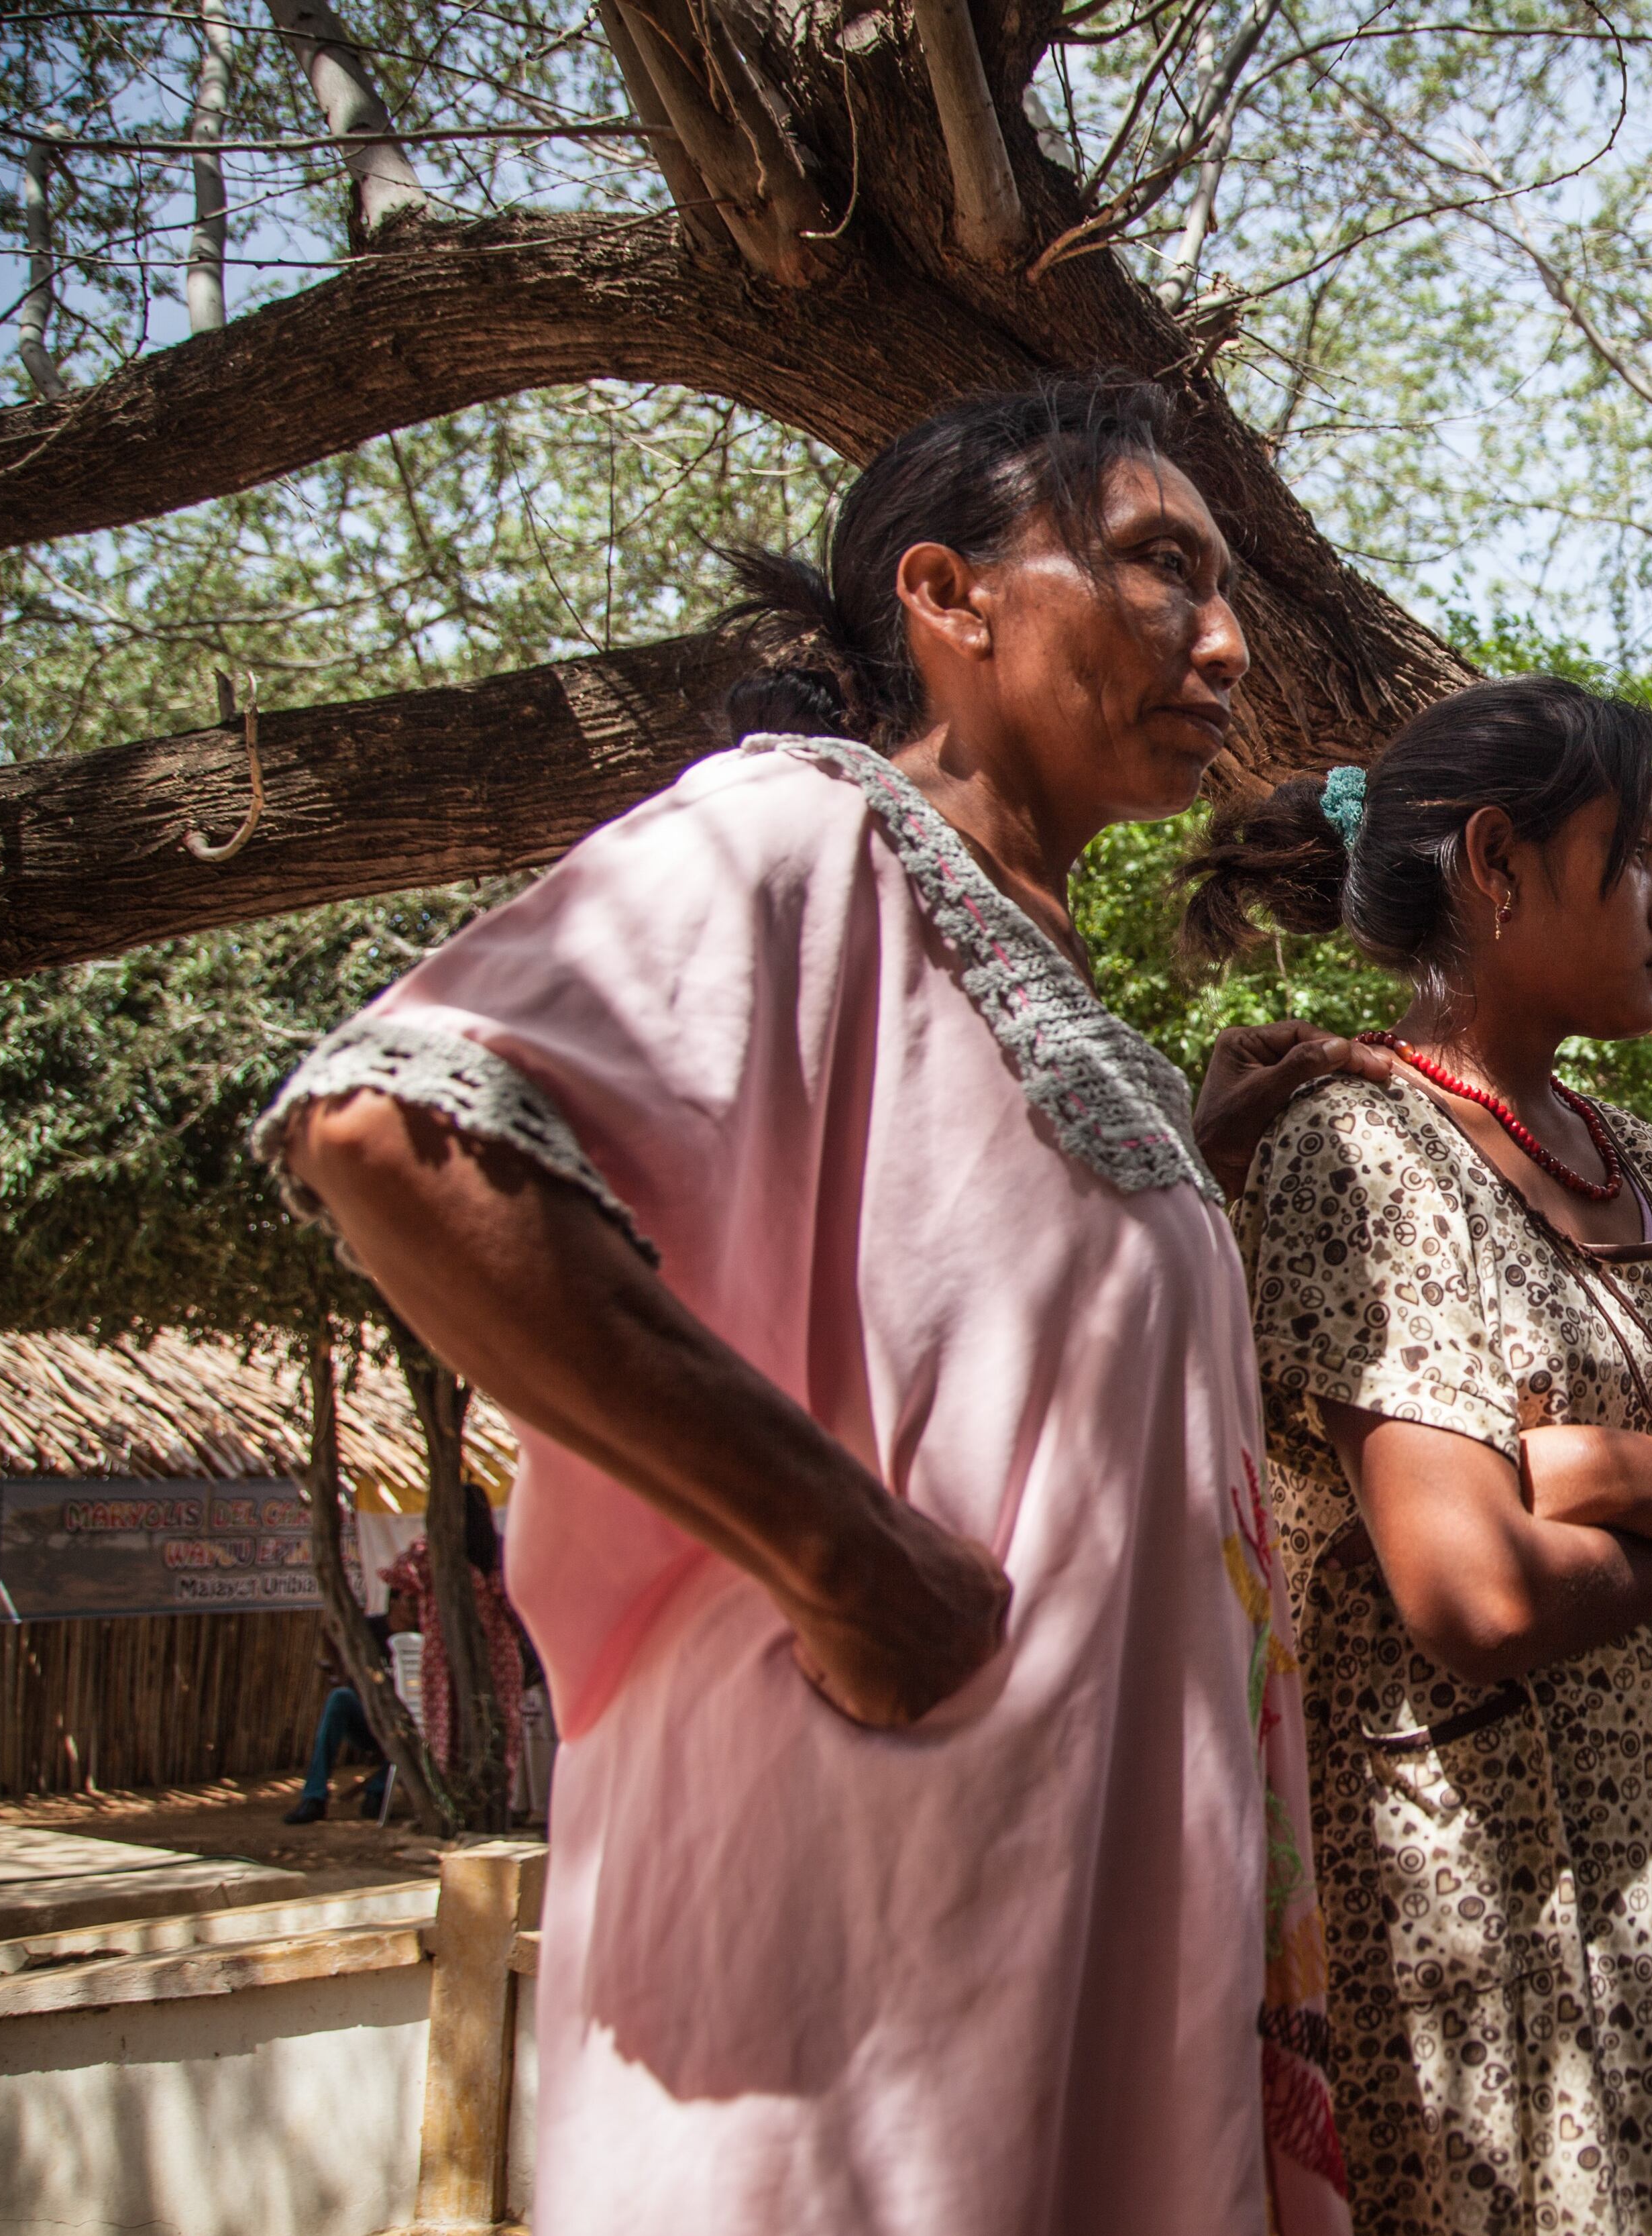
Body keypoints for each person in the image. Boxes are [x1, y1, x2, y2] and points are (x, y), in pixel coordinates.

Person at [260, 376, 1347, 2235]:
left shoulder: (1020, 943)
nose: (1227, 642)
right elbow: (400, 1131)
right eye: (1163, 567)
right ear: (949, 595)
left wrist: (1185, 1157)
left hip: (1054, 1934)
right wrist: (849, 1557)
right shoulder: (799, 828)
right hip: (862, 1959)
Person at [1180, 676, 1652, 2235]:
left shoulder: (1631, 1164)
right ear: (1496, 864)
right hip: (1488, 1935)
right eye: (1628, 855)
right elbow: (1475, 1595)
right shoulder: (1359, 1152)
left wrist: (1612, 1473)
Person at [378, 1483, 529, 1806]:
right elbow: (519, 1613)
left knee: (446, 1727)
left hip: (444, 1656)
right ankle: (492, 1803)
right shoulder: (501, 1556)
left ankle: (453, 1803)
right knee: (498, 1725)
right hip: (499, 1657)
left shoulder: (429, 1555)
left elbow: (398, 1576)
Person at [284, 1623, 391, 1823]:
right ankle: (314, 1797)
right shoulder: (370, 1630)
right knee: (339, 1697)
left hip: (403, 1725)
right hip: (369, 1720)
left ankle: (378, 1790)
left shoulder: (427, 1631)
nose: (413, 1606)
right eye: (408, 1599)